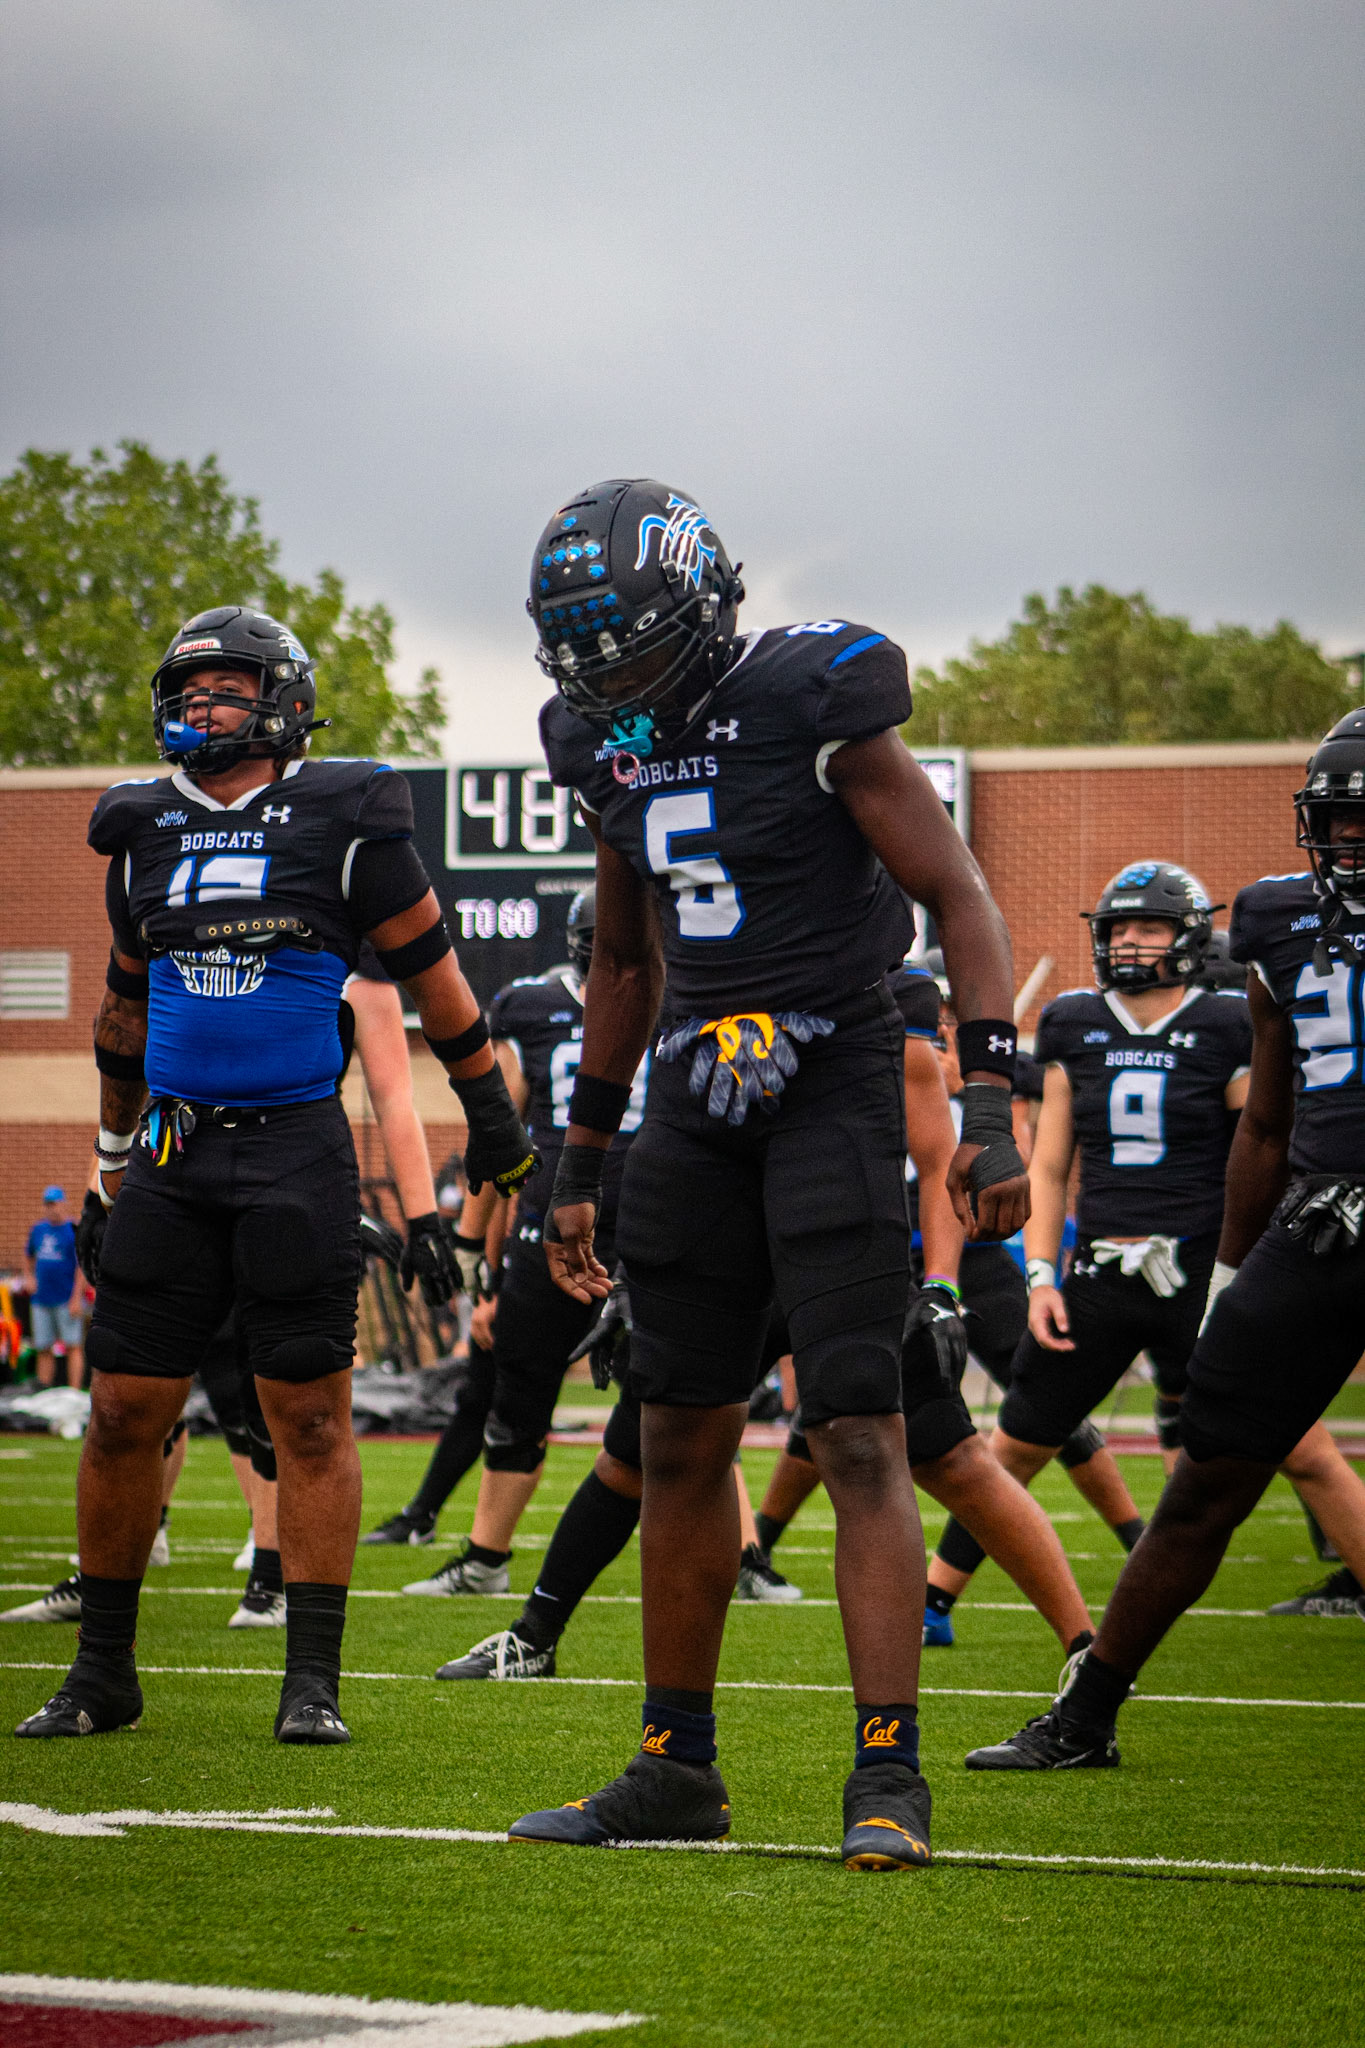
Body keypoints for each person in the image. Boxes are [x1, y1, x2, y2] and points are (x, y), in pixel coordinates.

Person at [507, 478, 1029, 1870]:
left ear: (696, 608)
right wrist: (579, 1160)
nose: (603, 675)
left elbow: (958, 892)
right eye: (581, 648)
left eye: (622, 642)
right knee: (674, 1428)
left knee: (856, 1427)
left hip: (834, 1071)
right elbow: (626, 962)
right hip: (693, 1089)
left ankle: (888, 1772)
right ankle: (674, 1764)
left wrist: (988, 1096)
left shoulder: (811, 692)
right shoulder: (594, 743)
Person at [13, 605, 537, 1747]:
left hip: (295, 1148)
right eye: (190, 688)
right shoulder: (141, 828)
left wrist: (495, 1128)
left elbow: (441, 986)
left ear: (284, 699)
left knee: (308, 1417)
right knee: (121, 1411)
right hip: (173, 1153)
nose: (203, 705)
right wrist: (107, 1167)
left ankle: (312, 1679)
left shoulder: (349, 817)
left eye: (228, 687)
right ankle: (102, 1671)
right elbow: (120, 1019)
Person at [966, 723, 1365, 1768]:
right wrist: (1232, 1274)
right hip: (1316, 1222)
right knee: (1205, 1474)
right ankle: (1085, 1714)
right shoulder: (1277, 918)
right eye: (1339, 822)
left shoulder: (1215, 998)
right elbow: (1266, 1125)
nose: (1350, 842)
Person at [751, 962, 1101, 1660]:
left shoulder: (892, 998)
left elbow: (948, 1156)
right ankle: (744, 1560)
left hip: (868, 1255)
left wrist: (942, 1287)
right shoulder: (718, 985)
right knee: (671, 1430)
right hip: (753, 1249)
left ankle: (1087, 1646)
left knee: (957, 1451)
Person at [360, 885, 650, 1580]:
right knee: (516, 1396)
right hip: (553, 1234)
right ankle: (481, 1555)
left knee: (683, 1398)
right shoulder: (532, 1007)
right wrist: (477, 1255)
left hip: (644, 1232)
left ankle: (743, 1554)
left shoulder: (674, 1003)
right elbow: (501, 1138)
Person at [24, 1188, 85, 1389]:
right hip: (41, 1299)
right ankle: (44, 1389)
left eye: (55, 1204)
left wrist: (76, 1298)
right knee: (43, 1347)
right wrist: (29, 1277)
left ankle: (74, 1391)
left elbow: (81, 1267)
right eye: (48, 1204)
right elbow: (28, 1255)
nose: (52, 1209)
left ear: (64, 1204)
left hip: (66, 1299)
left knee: (73, 1346)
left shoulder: (73, 1230)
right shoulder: (38, 1230)